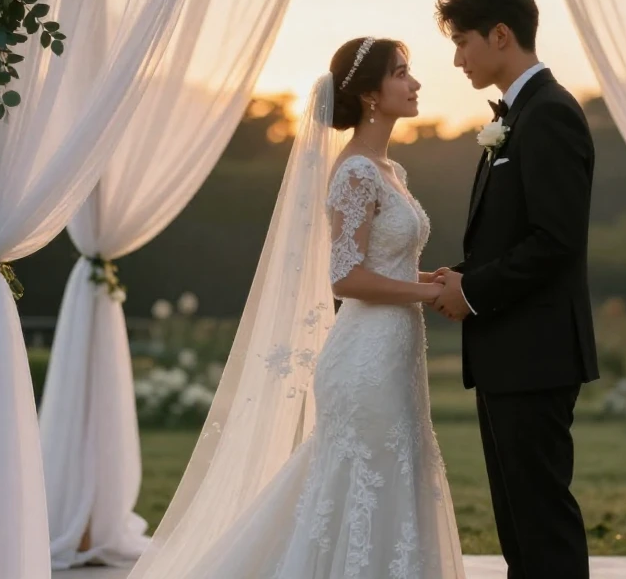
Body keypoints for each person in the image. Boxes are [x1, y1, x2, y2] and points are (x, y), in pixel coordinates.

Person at [125, 37, 464, 579]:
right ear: (371, 94)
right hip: (365, 359)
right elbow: (346, 277)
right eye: (402, 73)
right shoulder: (356, 172)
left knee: (389, 475)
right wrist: (430, 294)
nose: (415, 83)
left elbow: (383, 264)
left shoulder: (391, 170)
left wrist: (434, 279)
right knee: (363, 479)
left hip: (397, 352)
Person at [431, 0, 600, 579]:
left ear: (500, 35)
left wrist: (473, 292)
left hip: (537, 353)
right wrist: (460, 276)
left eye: (462, 42)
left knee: (541, 521)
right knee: (518, 522)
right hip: (511, 351)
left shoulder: (549, 114)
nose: (458, 60)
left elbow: (556, 242)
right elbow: (513, 232)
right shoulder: (521, 114)